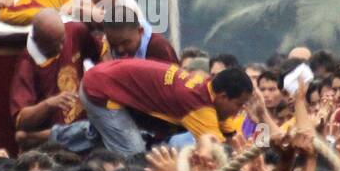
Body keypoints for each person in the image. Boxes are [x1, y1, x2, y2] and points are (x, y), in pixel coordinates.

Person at [78, 60, 253, 157]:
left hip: (104, 75)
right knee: (135, 156)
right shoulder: (199, 105)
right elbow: (219, 152)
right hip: (101, 89)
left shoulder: (208, 87)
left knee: (106, 140)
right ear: (223, 96)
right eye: (239, 105)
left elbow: (230, 135)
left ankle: (62, 139)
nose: (240, 110)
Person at [9, 9, 106, 149]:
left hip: (86, 132)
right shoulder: (27, 65)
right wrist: (49, 104)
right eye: (53, 44)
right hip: (53, 148)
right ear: (37, 41)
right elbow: (21, 121)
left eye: (62, 41)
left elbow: (103, 54)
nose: (60, 48)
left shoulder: (74, 31)